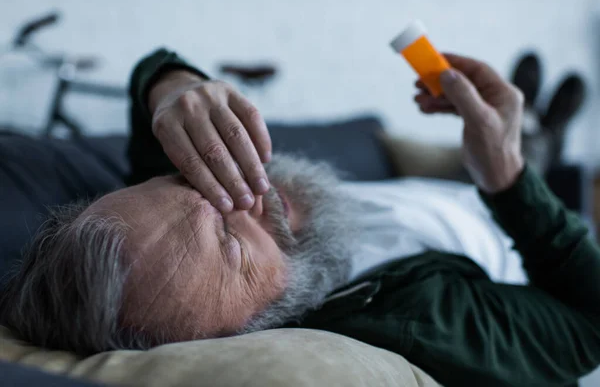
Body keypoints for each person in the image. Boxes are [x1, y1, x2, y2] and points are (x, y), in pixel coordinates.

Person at [1, 48, 599, 387]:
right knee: (536, 159)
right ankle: (539, 147)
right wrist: (510, 179)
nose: (248, 190)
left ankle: (536, 136)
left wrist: (172, 86)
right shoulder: (433, 324)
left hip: (435, 183)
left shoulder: (174, 232)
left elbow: (149, 75)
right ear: (248, 331)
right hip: (511, 222)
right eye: (232, 243)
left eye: (183, 178)